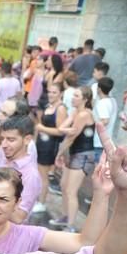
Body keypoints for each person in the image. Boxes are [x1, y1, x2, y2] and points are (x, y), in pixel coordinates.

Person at [0, 167, 110, 254]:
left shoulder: (27, 237)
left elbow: (85, 243)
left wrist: (101, 194)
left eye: (3, 199)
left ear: (17, 203)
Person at [52, 86, 96, 232]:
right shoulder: (75, 112)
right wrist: (66, 130)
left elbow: (71, 137)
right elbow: (60, 128)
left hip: (83, 155)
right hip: (73, 153)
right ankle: (65, 217)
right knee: (64, 186)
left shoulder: (84, 114)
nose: (73, 98)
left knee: (71, 191)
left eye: (76, 96)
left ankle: (71, 226)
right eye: (73, 95)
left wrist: (59, 154)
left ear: (85, 99)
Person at [35, 82, 67, 211]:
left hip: (50, 146)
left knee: (43, 176)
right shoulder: (49, 106)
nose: (51, 94)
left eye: (54, 92)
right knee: (38, 174)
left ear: (61, 94)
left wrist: (43, 128)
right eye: (49, 92)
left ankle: (41, 203)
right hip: (41, 143)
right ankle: (37, 200)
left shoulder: (60, 108)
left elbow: (61, 131)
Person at [0, 61, 21, 152]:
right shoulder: (16, 82)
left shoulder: (0, 82)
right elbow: (19, 96)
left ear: (2, 71)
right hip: (11, 113)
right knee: (7, 133)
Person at [92, 77, 117, 164]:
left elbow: (105, 121)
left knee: (98, 168)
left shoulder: (102, 103)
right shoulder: (113, 101)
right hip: (106, 139)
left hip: (99, 140)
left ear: (98, 89)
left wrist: (90, 125)